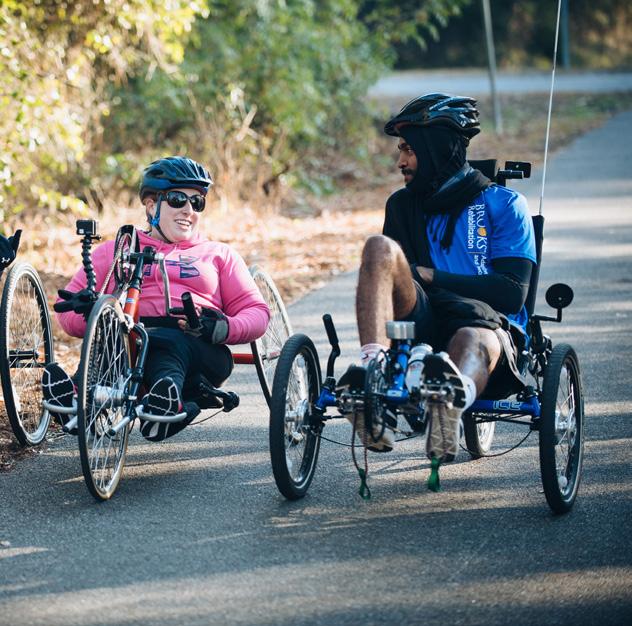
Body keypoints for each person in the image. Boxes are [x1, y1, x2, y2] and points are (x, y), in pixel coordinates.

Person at [338, 93, 536, 464]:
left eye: (409, 150)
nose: (400, 162)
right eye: (400, 150)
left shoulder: (505, 205)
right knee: (378, 247)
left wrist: (433, 275)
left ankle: (448, 407)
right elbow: (399, 288)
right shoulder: (402, 205)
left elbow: (511, 294)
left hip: (487, 325)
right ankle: (371, 379)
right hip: (422, 320)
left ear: (437, 148)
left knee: (471, 335)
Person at [42, 156, 270, 441]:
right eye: (177, 199)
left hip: (198, 346)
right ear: (151, 206)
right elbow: (67, 312)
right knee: (114, 336)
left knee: (167, 342)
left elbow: (257, 312)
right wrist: (90, 313)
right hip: (131, 341)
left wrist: (222, 327)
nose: (188, 210)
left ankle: (166, 402)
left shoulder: (218, 254)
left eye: (197, 202)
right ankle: (78, 399)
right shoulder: (118, 250)